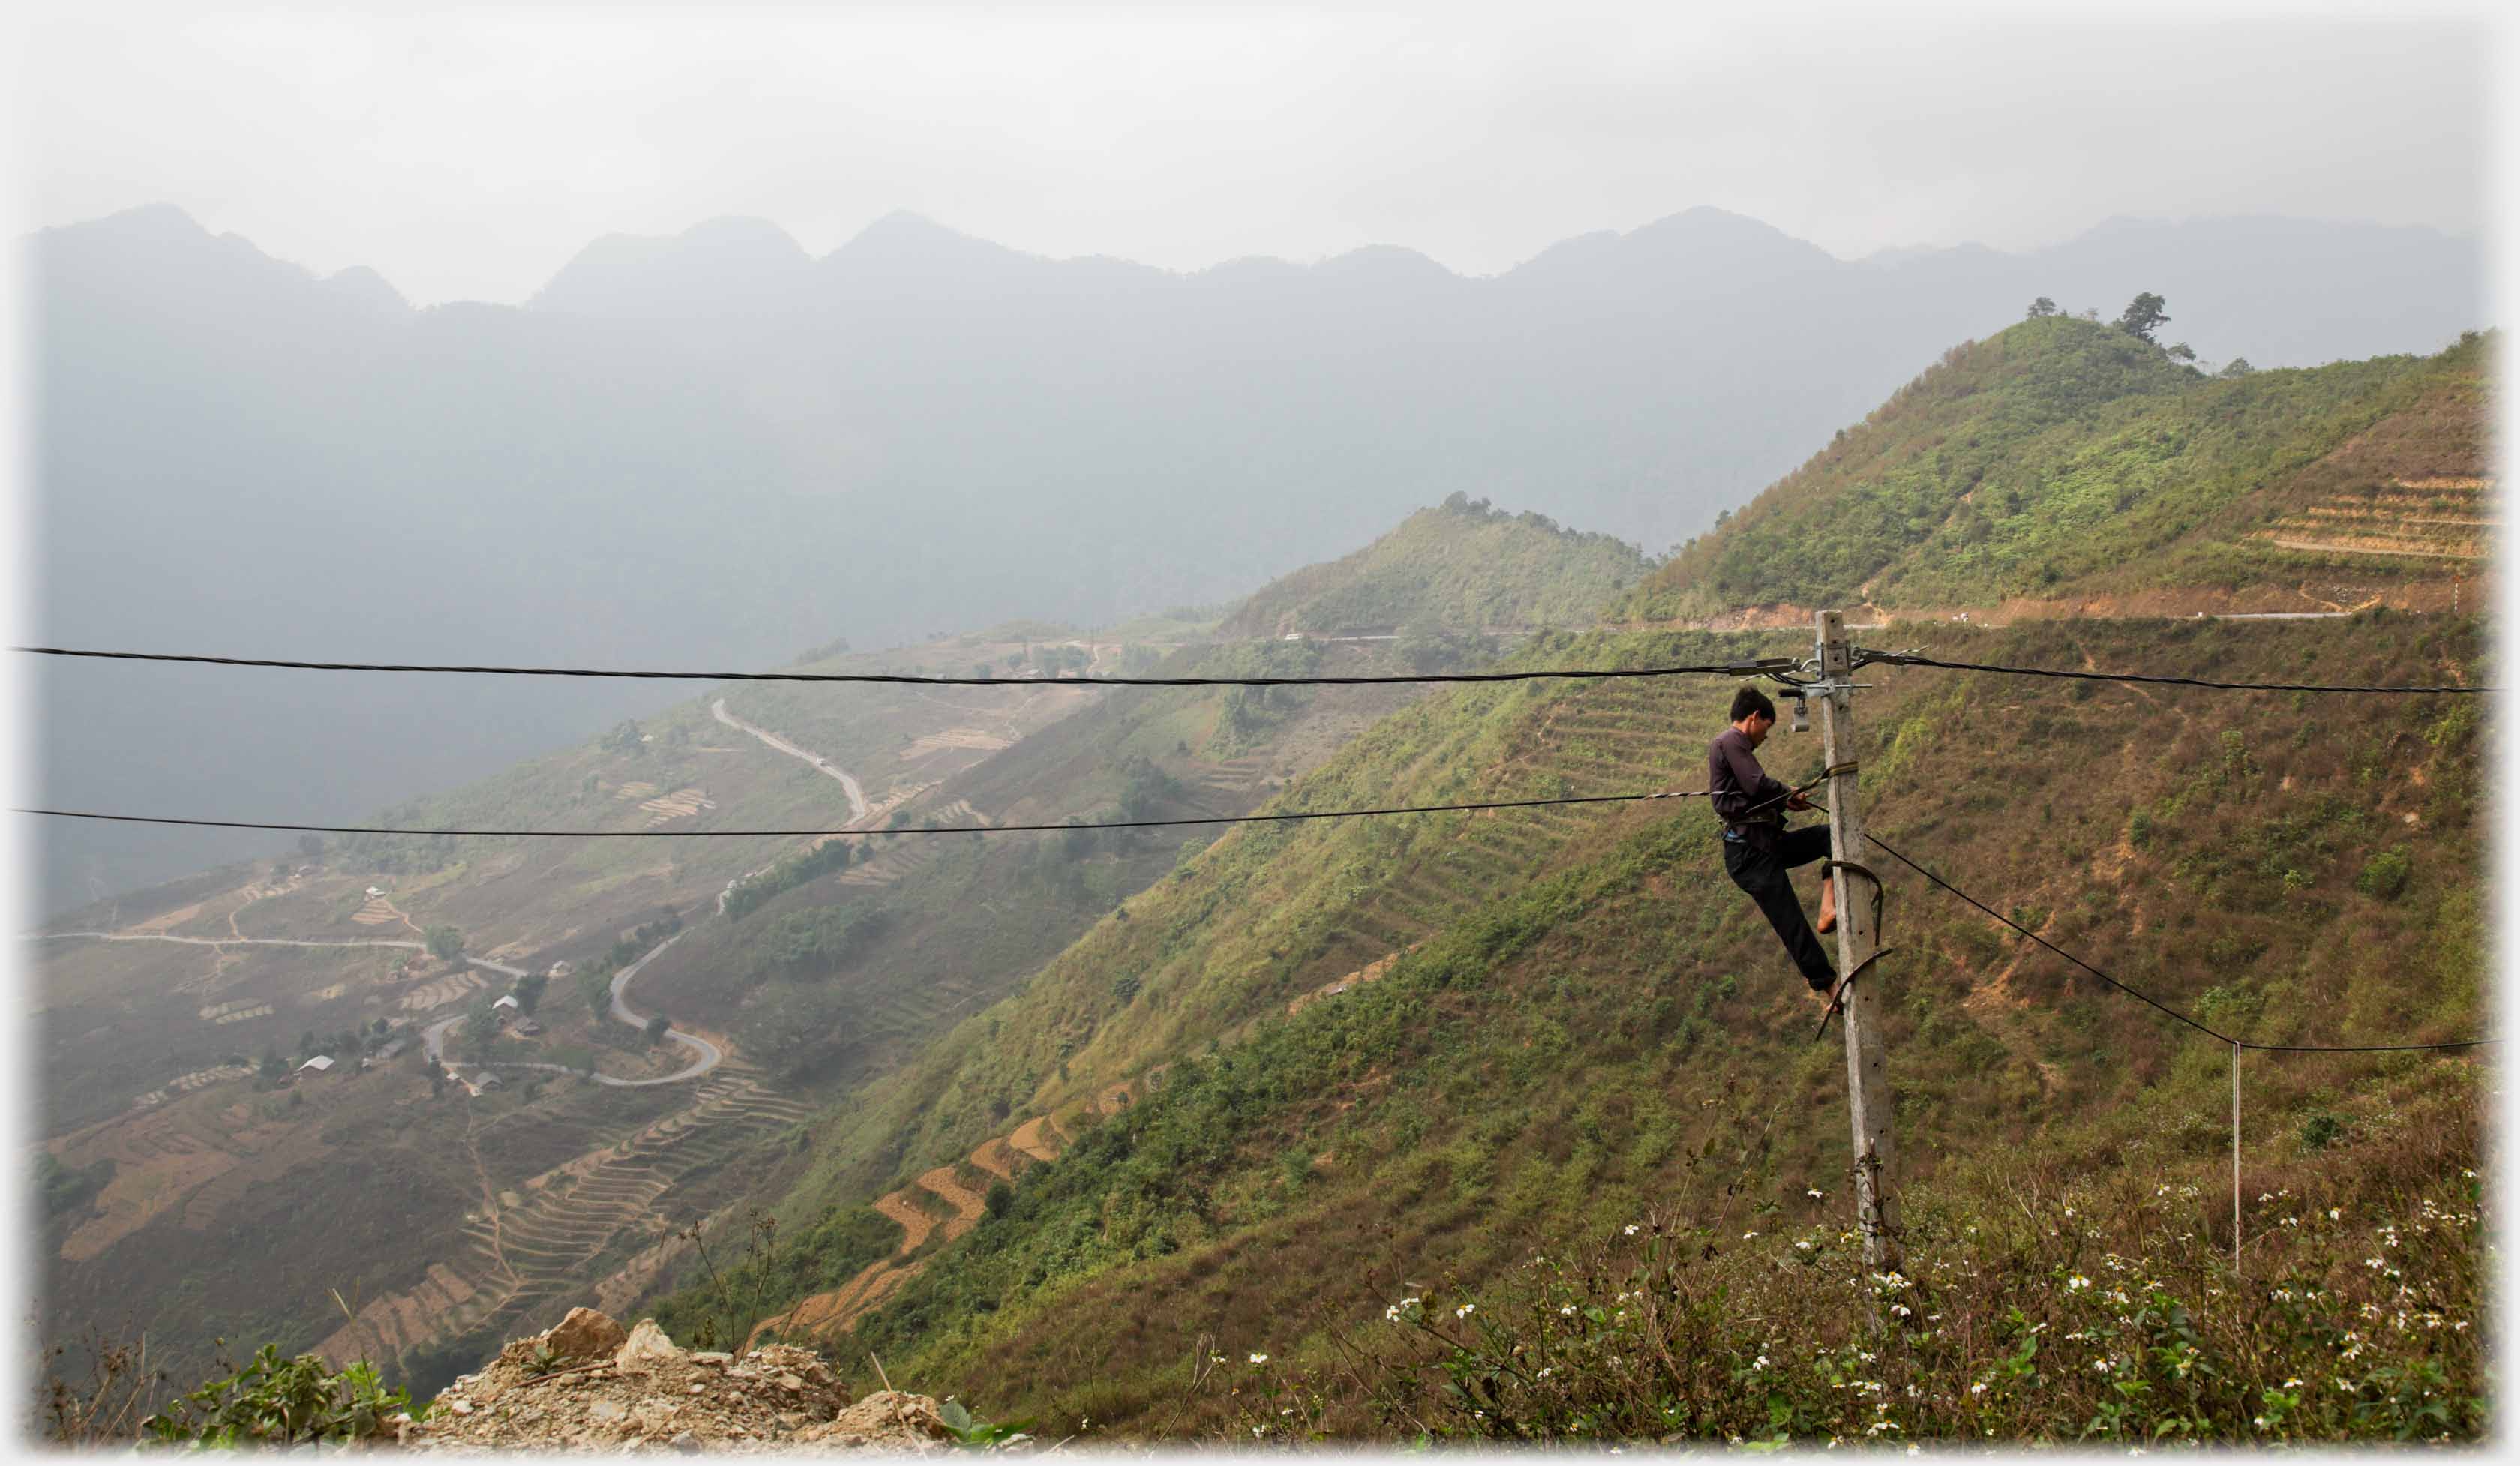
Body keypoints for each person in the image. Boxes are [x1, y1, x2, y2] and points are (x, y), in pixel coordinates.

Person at [1708, 685, 1838, 995]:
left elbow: (1754, 793)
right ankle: (1829, 987)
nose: (1765, 736)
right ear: (1754, 717)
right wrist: (1787, 793)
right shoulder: (1730, 741)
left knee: (1831, 836)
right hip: (1748, 853)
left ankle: (1828, 907)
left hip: (1765, 842)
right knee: (1788, 918)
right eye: (1766, 727)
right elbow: (1756, 785)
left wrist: (1785, 801)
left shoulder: (1733, 746)